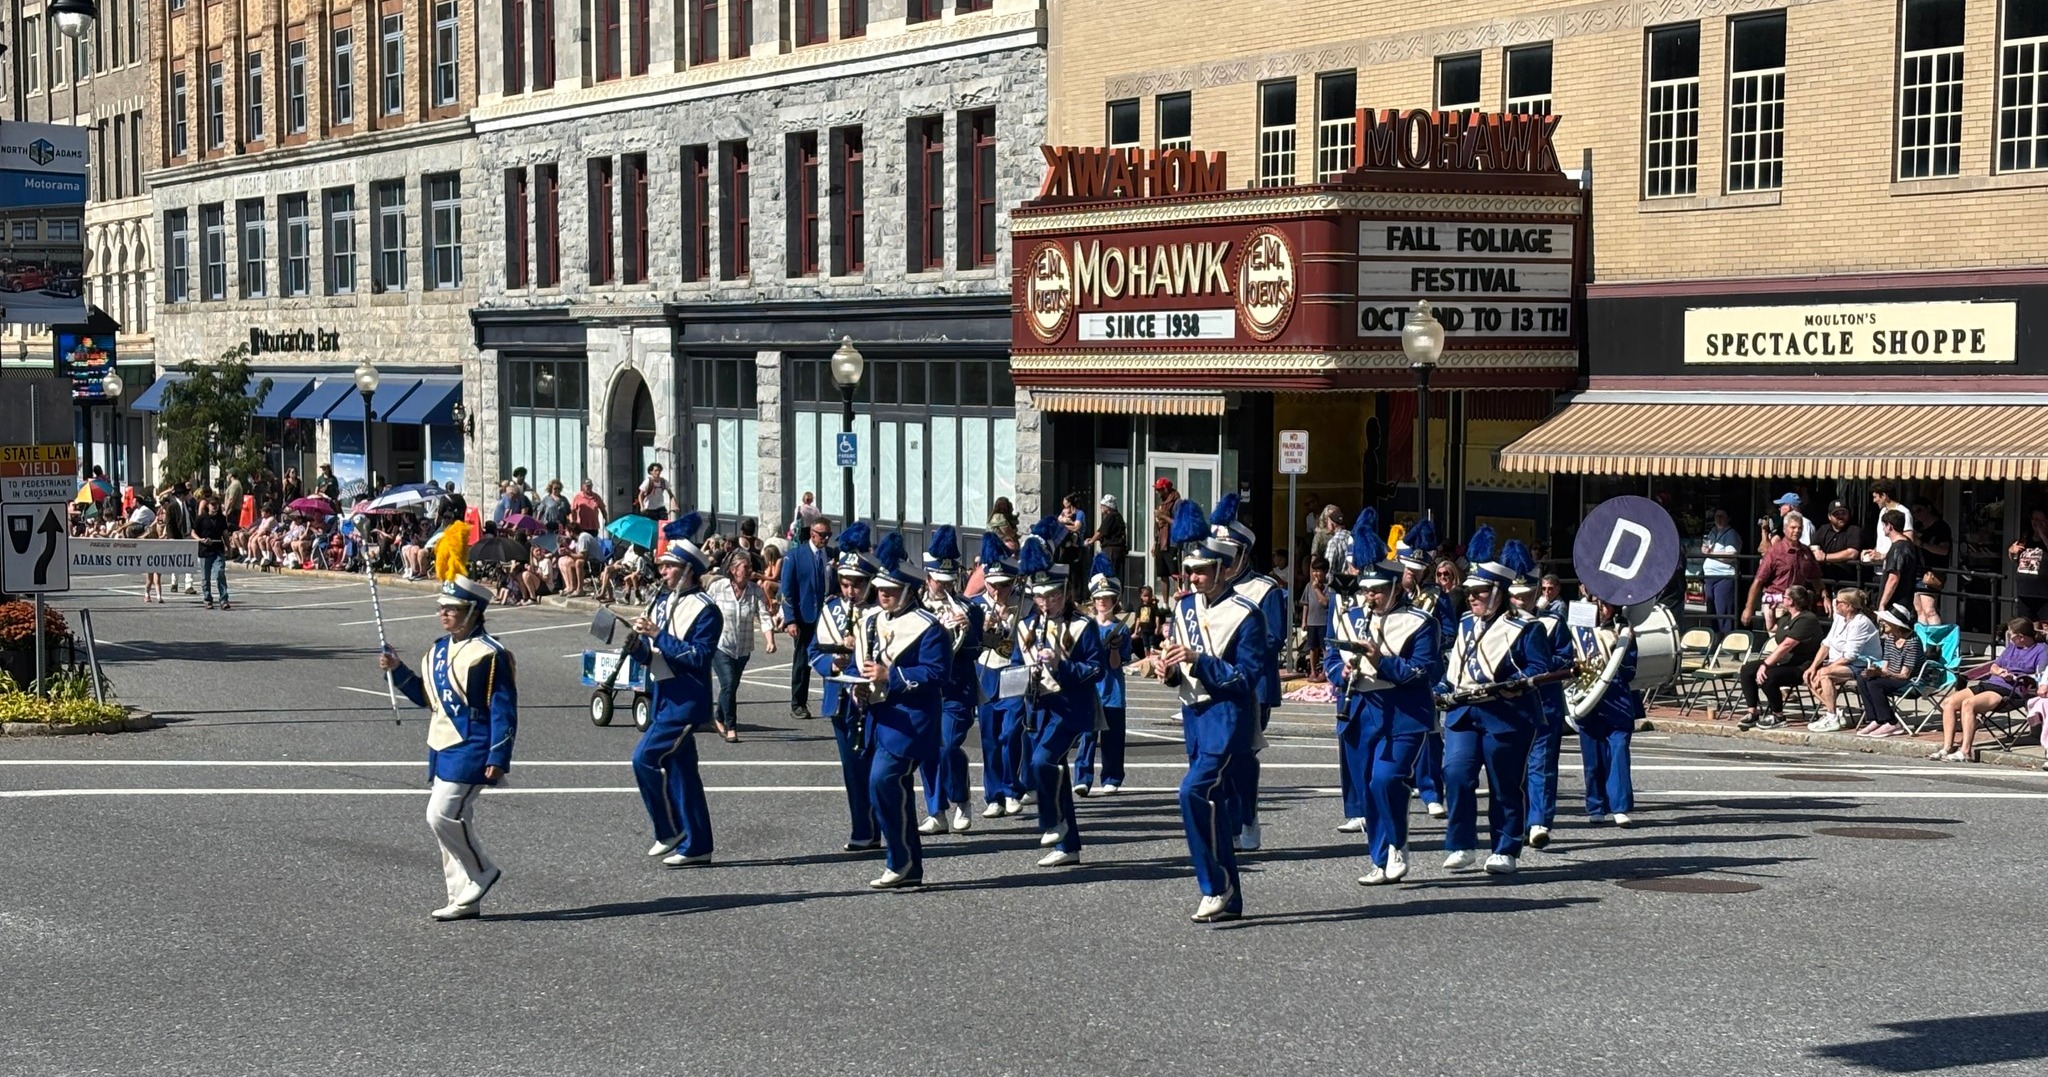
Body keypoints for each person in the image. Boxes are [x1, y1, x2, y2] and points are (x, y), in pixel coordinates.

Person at [379, 576, 518, 921]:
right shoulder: (438, 649)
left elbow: (503, 709)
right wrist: (397, 672)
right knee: (453, 822)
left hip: (473, 744)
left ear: (473, 611)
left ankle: (483, 871)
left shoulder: (490, 654)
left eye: (452, 609)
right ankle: (462, 898)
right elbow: (430, 699)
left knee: (440, 814)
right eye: (442, 608)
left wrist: (498, 755)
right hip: (442, 744)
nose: (444, 614)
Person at [1158, 497, 1265, 923]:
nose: (1195, 578)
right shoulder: (1183, 607)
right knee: (1215, 806)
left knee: (1193, 791)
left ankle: (1213, 885)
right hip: (1194, 715)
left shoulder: (1246, 614)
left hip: (1228, 718)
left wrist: (1200, 660)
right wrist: (1167, 668)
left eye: (1203, 570)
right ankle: (1230, 897)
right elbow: (1177, 666)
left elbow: (1248, 678)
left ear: (1223, 569)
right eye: (1191, 571)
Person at [1327, 511, 1441, 884]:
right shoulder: (1349, 617)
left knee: (1386, 780)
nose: (1369, 596)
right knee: (1365, 784)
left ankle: (1397, 841)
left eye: (1377, 590)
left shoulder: (1422, 622)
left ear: (1395, 588)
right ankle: (1379, 857)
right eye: (1366, 590)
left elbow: (1423, 670)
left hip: (1403, 709)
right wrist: (1338, 673)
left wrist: (1382, 661)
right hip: (1359, 708)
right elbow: (1331, 658)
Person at [1436, 528, 1545, 875]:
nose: (1472, 598)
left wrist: (1514, 684)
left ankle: (1506, 847)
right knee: (1455, 774)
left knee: (1503, 783)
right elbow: (1456, 665)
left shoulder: (1527, 628)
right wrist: (1442, 686)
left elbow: (1539, 668)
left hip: (1506, 714)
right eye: (1469, 592)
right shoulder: (1467, 623)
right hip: (1464, 710)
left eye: (1479, 592)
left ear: (1498, 592)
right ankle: (1462, 843)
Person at [858, 531, 952, 889]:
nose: (883, 594)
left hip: (912, 721)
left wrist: (890, 676)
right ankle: (907, 864)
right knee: (885, 789)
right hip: (879, 717)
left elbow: (936, 672)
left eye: (891, 590)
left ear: (909, 591)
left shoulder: (929, 628)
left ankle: (900, 860)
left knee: (883, 781)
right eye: (881, 588)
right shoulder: (872, 620)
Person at [1014, 518, 1108, 868]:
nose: (1045, 603)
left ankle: (1052, 822)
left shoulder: (1083, 626)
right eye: (1039, 597)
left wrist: (1061, 665)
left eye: (1052, 596)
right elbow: (1013, 663)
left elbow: (1095, 669)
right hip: (1038, 707)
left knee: (1043, 761)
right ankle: (1070, 845)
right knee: (1056, 772)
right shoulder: (1027, 625)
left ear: (1066, 593)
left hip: (1072, 708)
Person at [630, 514, 723, 868]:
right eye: (664, 566)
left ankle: (668, 830)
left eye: (669, 566)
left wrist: (657, 635)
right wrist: (635, 642)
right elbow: (652, 652)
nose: (663, 572)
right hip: (662, 694)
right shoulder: (663, 601)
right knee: (683, 773)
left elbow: (699, 656)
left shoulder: (707, 610)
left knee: (644, 759)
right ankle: (698, 844)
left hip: (686, 700)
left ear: (687, 570)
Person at [1210, 494, 1285, 851]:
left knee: (1242, 755)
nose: (1222, 561)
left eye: (1230, 553)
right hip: (1213, 683)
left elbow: (1272, 638)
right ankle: (1228, 822)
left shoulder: (1265, 588)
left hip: (1251, 685)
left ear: (1243, 554)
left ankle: (1248, 816)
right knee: (1218, 757)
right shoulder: (1211, 588)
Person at [809, 524, 881, 851]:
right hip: (841, 701)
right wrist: (833, 663)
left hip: (874, 699)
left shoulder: (881, 613)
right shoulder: (831, 609)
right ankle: (862, 830)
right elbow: (813, 652)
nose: (850, 591)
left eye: (856, 585)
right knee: (853, 771)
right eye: (845, 583)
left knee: (878, 769)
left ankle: (886, 824)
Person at [915, 527, 984, 835]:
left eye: (948, 583)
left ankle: (961, 799)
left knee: (947, 745)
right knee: (927, 749)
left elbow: (977, 650)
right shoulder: (915, 610)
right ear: (928, 578)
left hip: (958, 689)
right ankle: (935, 811)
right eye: (937, 582)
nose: (942, 588)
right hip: (926, 689)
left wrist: (967, 630)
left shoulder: (969, 608)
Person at [1511, 562, 1573, 850]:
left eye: (1525, 595)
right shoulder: (1502, 626)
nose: (1520, 601)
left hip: (1545, 703)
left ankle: (1539, 821)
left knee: (1542, 763)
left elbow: (1566, 658)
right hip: (1511, 706)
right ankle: (1520, 820)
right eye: (1515, 595)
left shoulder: (1552, 623)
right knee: (1514, 767)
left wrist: (1544, 662)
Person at [1930, 618, 2047, 761]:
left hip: (2009, 690)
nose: (2009, 638)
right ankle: (1947, 747)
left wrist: (2016, 677)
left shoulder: (2041, 650)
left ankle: (1965, 751)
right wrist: (1999, 672)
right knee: (1949, 702)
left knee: (1969, 704)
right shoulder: (2012, 647)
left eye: (2011, 635)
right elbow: (1993, 666)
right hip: (1991, 683)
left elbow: (2041, 675)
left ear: (2021, 637)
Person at [1397, 521, 1452, 820]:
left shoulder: (1436, 597)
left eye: (1416, 572)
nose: (1411, 576)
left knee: (1430, 732)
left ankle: (1432, 791)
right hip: (1395, 669)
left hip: (1426, 670)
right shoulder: (1393, 597)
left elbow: (1451, 632)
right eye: (1408, 571)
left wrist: (1431, 645)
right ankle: (1403, 783)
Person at [1570, 599, 1641, 827]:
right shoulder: (1576, 631)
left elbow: (1629, 673)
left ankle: (1619, 807)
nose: (1601, 610)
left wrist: (1626, 645)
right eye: (1596, 604)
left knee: (1619, 751)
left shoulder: (1622, 631)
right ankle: (1596, 805)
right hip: (1587, 699)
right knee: (1592, 758)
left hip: (1616, 700)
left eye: (1605, 605)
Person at [971, 532, 1028, 817]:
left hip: (1014, 672)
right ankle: (993, 795)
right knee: (989, 738)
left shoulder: (1025, 605)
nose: (997, 592)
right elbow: (968, 644)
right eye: (993, 586)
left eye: (1003, 586)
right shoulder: (978, 605)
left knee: (1011, 733)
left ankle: (1012, 789)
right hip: (986, 672)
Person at [1074, 555, 1132, 796]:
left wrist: (1115, 647)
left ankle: (1112, 777)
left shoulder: (1122, 628)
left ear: (1114, 600)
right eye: (1098, 598)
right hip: (1089, 688)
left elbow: (1116, 665)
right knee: (1086, 735)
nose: (1102, 602)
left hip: (1112, 690)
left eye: (1106, 598)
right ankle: (1082, 778)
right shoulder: (1084, 626)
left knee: (1113, 738)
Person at [706, 550, 776, 743]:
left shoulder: (755, 590)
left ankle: (718, 716)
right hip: (720, 645)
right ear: (733, 570)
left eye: (750, 568)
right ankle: (731, 726)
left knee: (731, 687)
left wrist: (770, 640)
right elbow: (705, 610)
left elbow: (764, 615)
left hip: (743, 648)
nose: (749, 571)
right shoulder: (718, 587)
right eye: (745, 567)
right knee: (728, 683)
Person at [1737, 585, 1826, 730]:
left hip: (1802, 666)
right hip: (1785, 661)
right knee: (1747, 670)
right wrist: (1770, 610)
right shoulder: (1787, 617)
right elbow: (1772, 628)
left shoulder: (1807, 619)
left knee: (1768, 676)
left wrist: (1765, 664)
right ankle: (1752, 711)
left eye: (1784, 597)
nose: (1781, 599)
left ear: (1791, 601)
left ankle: (1778, 715)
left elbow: (1787, 645)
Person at [781, 516, 835, 720]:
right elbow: (786, 590)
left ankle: (830, 703)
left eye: (829, 535)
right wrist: (790, 619)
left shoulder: (831, 555)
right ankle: (798, 703)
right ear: (812, 534)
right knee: (802, 662)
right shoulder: (795, 556)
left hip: (827, 618)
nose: (826, 539)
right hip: (805, 617)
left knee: (830, 661)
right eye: (822, 535)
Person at [1804, 588, 1881, 732]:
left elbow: (1850, 656)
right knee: (1809, 674)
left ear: (1849, 606)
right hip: (1842, 662)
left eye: (1838, 602)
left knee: (1824, 674)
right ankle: (1836, 711)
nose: (1835, 604)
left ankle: (1832, 717)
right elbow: (1826, 643)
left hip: (1863, 664)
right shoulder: (1839, 618)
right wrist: (1813, 667)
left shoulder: (1860, 623)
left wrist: (1826, 668)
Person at [1853, 607, 1927, 739]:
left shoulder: (1912, 642)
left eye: (1886, 622)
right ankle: (1876, 719)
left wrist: (1881, 675)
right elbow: (1886, 666)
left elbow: (1905, 675)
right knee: (1863, 678)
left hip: (1911, 681)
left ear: (1896, 625)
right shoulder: (1890, 638)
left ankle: (1892, 722)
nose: (1882, 624)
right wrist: (1876, 672)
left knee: (1876, 684)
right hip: (1892, 677)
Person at [1742, 512, 1818, 630]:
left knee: (1795, 642)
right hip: (1776, 604)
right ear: (1784, 529)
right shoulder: (1774, 552)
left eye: (1799, 528)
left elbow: (1815, 577)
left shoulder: (1806, 551)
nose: (1796, 531)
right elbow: (1758, 581)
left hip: (1798, 604)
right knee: (1777, 642)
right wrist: (1749, 607)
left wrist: (1825, 596)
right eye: (1793, 527)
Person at [1700, 508, 1742, 635]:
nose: (1718, 519)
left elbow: (1731, 555)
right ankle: (1713, 638)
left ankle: (1726, 640)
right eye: (1717, 516)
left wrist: (1711, 553)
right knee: (1711, 610)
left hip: (1724, 576)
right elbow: (1705, 548)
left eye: (1722, 516)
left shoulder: (1731, 534)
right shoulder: (1712, 532)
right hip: (1709, 576)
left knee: (1723, 611)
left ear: (1728, 518)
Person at [1811, 500, 1863, 597]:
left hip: (1848, 584)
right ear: (1829, 517)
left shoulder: (1853, 530)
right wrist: (1815, 551)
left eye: (1843, 513)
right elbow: (1814, 547)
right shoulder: (1823, 529)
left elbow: (1852, 553)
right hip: (1826, 582)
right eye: (1836, 514)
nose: (1840, 516)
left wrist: (1825, 557)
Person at [1874, 510, 1920, 614]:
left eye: (1884, 525)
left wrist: (1882, 604)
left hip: (1895, 605)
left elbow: (1893, 579)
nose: (1883, 528)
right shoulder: (1908, 544)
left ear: (1889, 526)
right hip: (1904, 602)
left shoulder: (1898, 549)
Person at [193, 494, 232, 610]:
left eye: (217, 505)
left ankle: (224, 599)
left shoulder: (221, 518)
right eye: (213, 505)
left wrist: (229, 548)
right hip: (205, 550)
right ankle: (207, 599)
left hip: (217, 549)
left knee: (220, 572)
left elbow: (225, 534)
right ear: (208, 506)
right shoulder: (201, 518)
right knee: (206, 577)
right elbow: (193, 532)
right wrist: (201, 540)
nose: (215, 507)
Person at [2011, 508, 2048, 629]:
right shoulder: (2026, 537)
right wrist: (2012, 553)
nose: (2036, 523)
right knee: (2029, 628)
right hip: (2025, 592)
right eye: (2034, 519)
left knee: (2045, 630)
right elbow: (2017, 559)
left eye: (2040, 520)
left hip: (2044, 593)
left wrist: (2042, 534)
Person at [1090, 493, 1129, 584]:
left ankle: (1111, 593)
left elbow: (1101, 531)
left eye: (1103, 506)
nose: (1101, 508)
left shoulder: (1111, 517)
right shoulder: (1118, 516)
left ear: (1108, 507)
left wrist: (1091, 541)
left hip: (1111, 550)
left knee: (1110, 574)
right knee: (1117, 574)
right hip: (1118, 550)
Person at [1301, 558, 1331, 673]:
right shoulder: (1309, 586)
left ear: (1325, 572)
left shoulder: (1328, 586)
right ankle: (1313, 672)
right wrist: (1304, 621)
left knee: (1325, 648)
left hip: (1324, 622)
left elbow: (1325, 603)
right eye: (1314, 571)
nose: (1316, 574)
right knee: (1313, 648)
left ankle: (1325, 672)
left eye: (1319, 571)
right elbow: (1306, 604)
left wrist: (1317, 589)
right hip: (1311, 622)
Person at [1152, 477, 1181, 582]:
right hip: (1161, 543)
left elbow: (1178, 524)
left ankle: (1178, 596)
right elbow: (1157, 525)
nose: (1157, 492)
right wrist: (1155, 544)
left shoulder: (1177, 503)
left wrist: (1163, 517)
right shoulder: (1162, 504)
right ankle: (1165, 599)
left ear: (1165, 489)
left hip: (1172, 543)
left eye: (1159, 490)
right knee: (1163, 575)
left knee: (1175, 575)